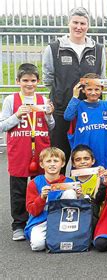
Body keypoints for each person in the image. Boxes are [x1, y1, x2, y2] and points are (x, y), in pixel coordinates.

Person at [42, 7, 106, 170]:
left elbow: (101, 78)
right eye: (75, 22)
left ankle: (89, 195)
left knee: (87, 158)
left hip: (89, 110)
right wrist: (61, 94)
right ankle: (58, 193)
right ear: (68, 23)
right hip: (61, 110)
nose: (79, 27)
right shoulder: (54, 48)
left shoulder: (98, 49)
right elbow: (48, 78)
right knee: (59, 157)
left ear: (88, 25)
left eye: (83, 23)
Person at [0, 63, 55, 241]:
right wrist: (17, 115)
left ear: (38, 81)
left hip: (40, 151)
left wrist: (49, 114)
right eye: (25, 80)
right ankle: (18, 224)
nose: (29, 84)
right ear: (18, 81)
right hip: (20, 151)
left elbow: (51, 125)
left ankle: (39, 219)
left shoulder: (43, 100)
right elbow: (2, 125)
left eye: (32, 80)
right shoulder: (11, 100)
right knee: (19, 189)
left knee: (40, 187)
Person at [24, 147, 79, 251]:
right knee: (38, 246)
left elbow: (77, 208)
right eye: (48, 161)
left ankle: (63, 232)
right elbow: (32, 210)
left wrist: (79, 196)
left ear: (62, 163)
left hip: (62, 220)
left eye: (56, 161)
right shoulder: (34, 183)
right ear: (41, 164)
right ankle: (50, 236)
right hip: (41, 221)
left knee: (70, 192)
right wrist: (41, 198)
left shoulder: (69, 182)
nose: (52, 164)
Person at [64, 73, 107, 168]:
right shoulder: (79, 105)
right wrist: (75, 96)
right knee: (84, 180)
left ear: (102, 89)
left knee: (106, 179)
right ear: (83, 90)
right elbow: (68, 116)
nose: (93, 92)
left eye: (97, 89)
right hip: (84, 152)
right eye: (89, 89)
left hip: (105, 149)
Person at [70, 144, 103, 231]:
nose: (82, 162)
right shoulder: (69, 180)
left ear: (93, 161)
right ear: (73, 163)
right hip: (76, 214)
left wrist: (100, 177)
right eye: (78, 159)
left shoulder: (99, 178)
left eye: (86, 158)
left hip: (94, 215)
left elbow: (97, 199)